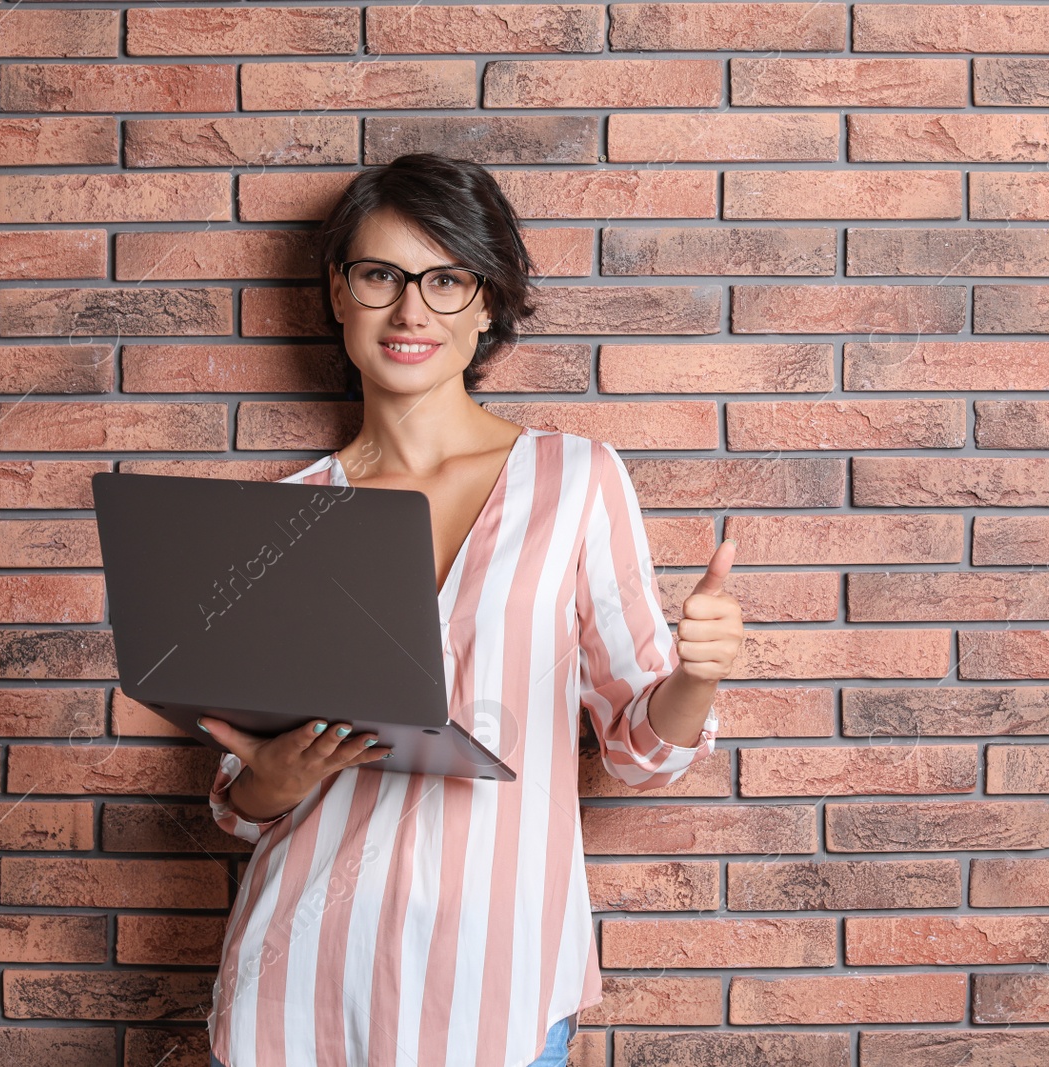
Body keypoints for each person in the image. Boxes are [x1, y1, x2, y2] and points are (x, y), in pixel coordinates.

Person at [195, 153, 745, 1067]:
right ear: (339, 294)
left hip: (495, 995)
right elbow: (241, 800)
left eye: (446, 280)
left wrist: (696, 675)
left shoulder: (576, 480)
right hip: (296, 1002)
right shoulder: (286, 518)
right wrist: (271, 784)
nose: (412, 311)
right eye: (381, 275)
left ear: (487, 302)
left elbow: (642, 755)